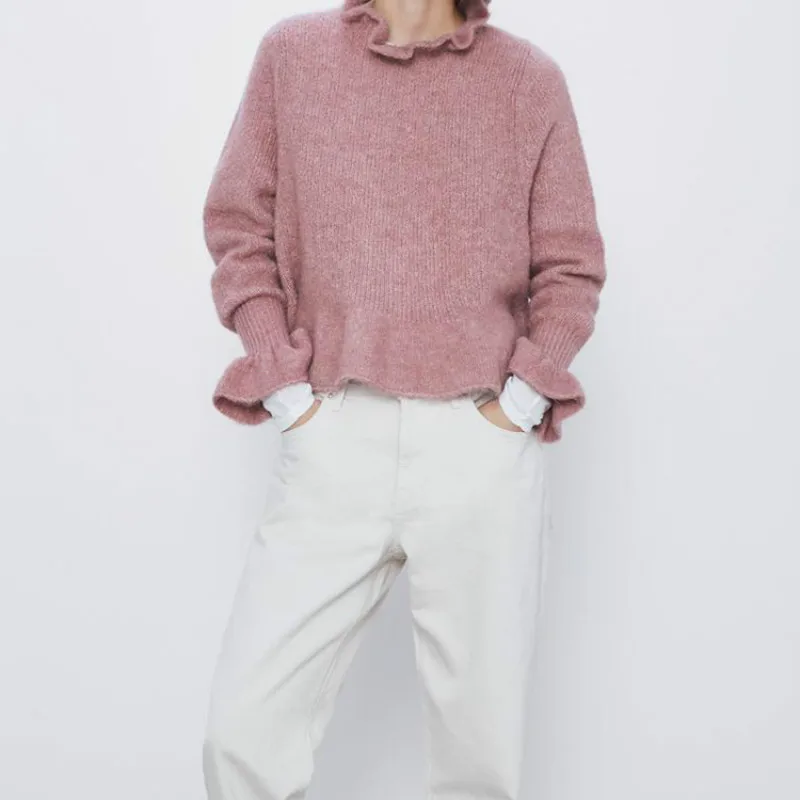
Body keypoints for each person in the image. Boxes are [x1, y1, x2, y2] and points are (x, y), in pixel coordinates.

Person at [200, 0, 606, 798]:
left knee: (479, 761)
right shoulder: (294, 57)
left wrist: (519, 408)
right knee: (243, 735)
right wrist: (286, 392)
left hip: (478, 448)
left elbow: (571, 265)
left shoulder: (527, 80)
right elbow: (239, 226)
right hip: (334, 433)